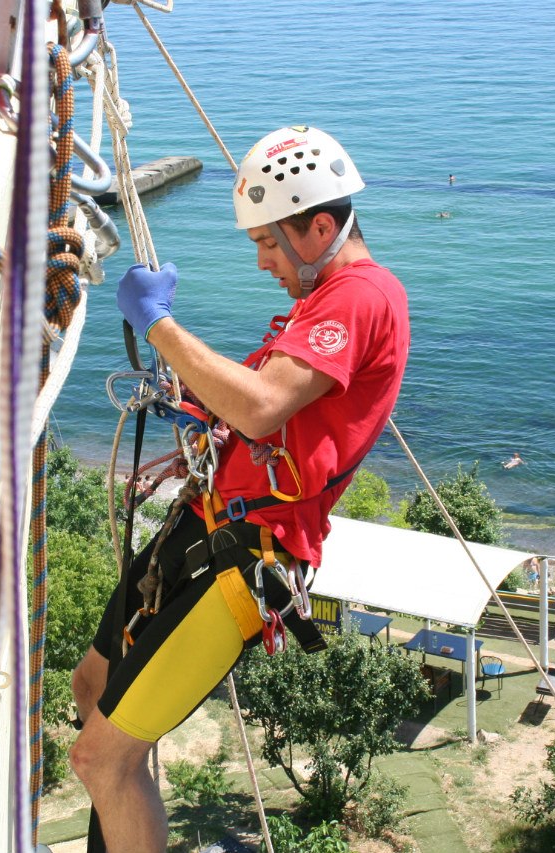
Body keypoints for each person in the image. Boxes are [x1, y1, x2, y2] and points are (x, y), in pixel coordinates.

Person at [70, 125, 410, 853]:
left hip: (242, 561)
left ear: (321, 227)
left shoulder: (362, 296)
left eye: (268, 242)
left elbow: (260, 405)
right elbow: (253, 414)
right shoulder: (322, 301)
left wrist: (159, 325)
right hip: (207, 523)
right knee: (92, 686)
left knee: (98, 759)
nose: (261, 262)